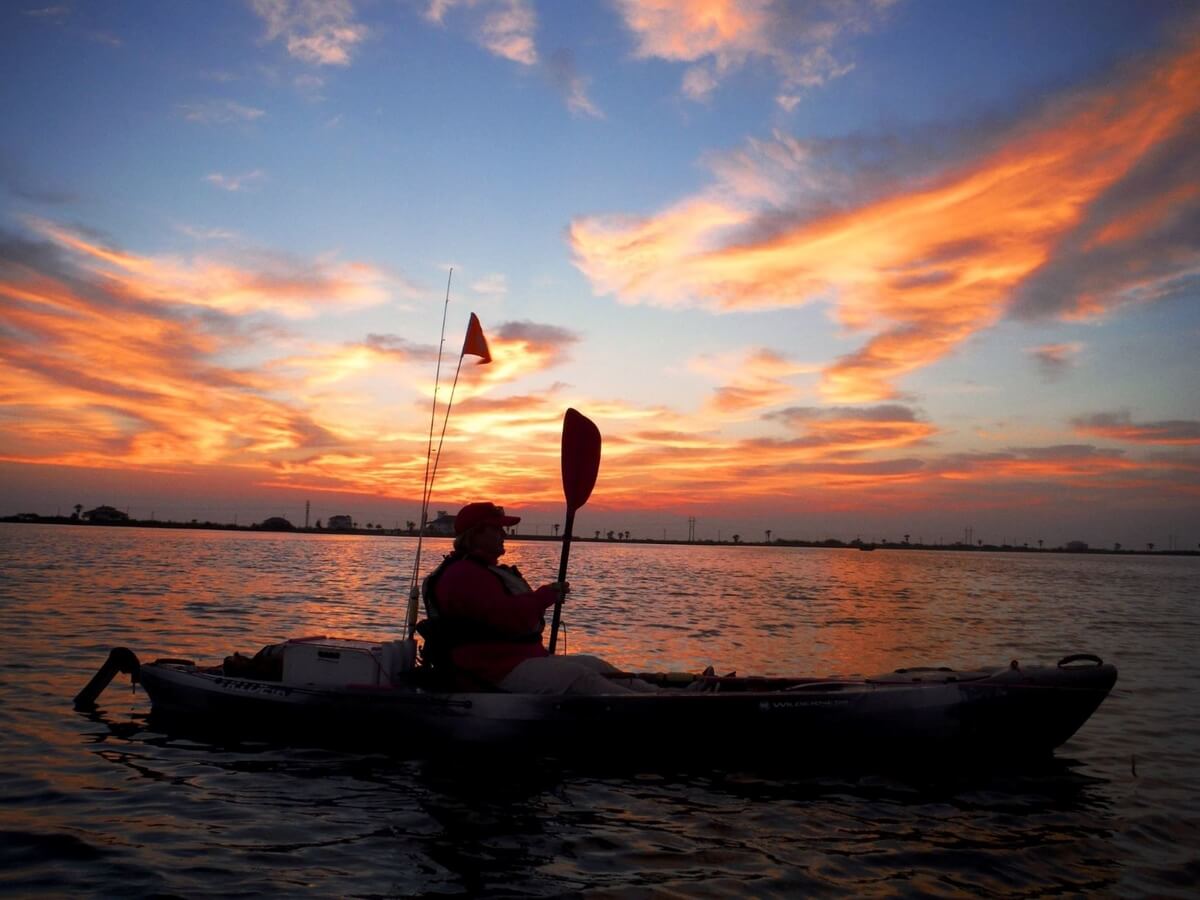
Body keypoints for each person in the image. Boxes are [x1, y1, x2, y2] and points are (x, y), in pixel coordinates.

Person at [419, 502, 657, 694]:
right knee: (578, 676)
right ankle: (649, 707)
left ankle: (658, 695)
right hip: (491, 670)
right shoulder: (464, 574)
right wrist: (544, 597)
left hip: (518, 660)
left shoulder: (484, 570)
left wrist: (544, 597)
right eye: (496, 529)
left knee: (593, 665)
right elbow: (507, 618)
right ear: (476, 534)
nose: (504, 534)